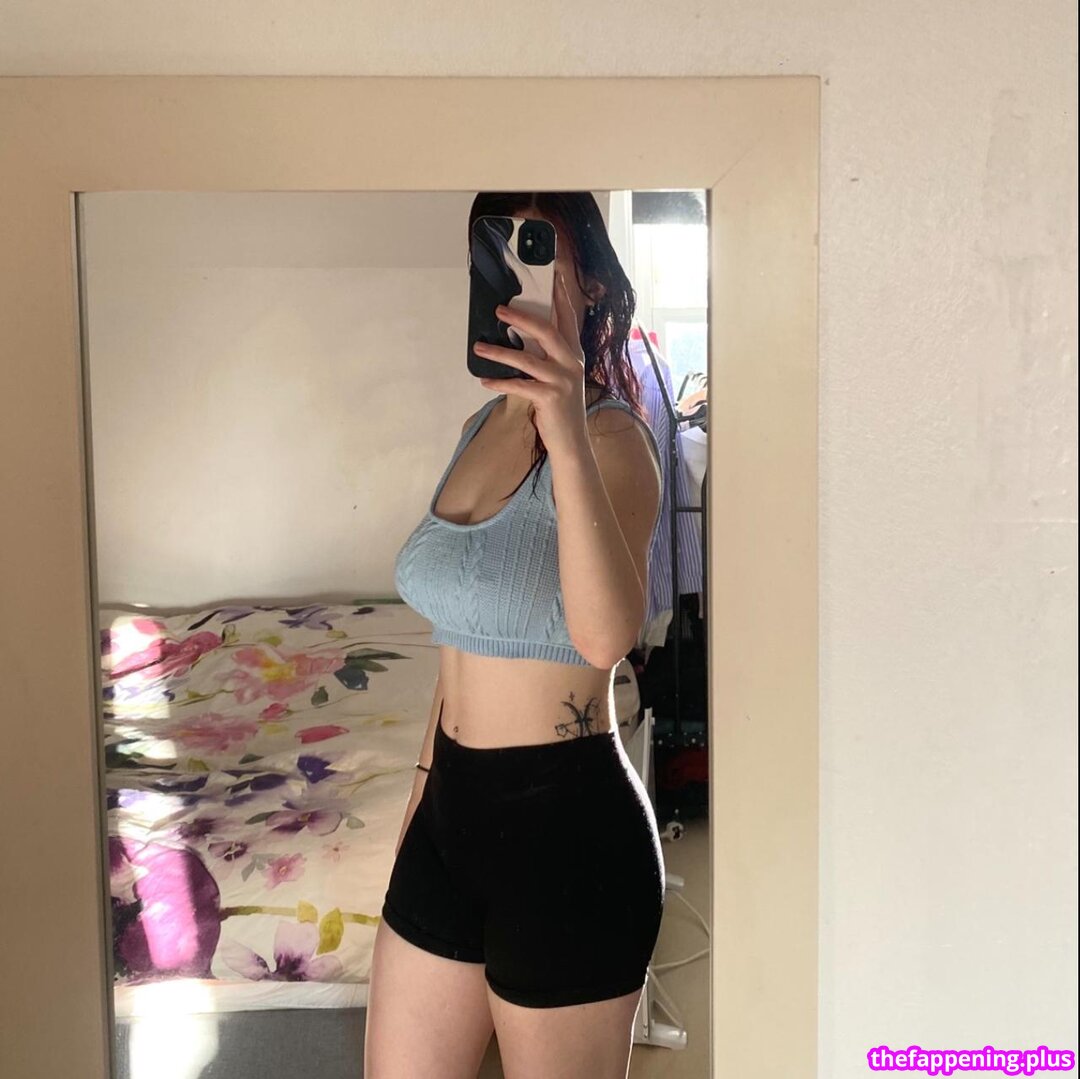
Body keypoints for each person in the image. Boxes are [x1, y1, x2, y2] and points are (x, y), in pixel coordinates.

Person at [364, 192, 666, 1079]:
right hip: (447, 821)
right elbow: (456, 643)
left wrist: (564, 424)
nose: (509, 272)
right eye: (493, 250)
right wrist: (419, 808)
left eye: (537, 248)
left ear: (590, 284)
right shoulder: (476, 429)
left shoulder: (617, 442)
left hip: (569, 834)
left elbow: (606, 637)